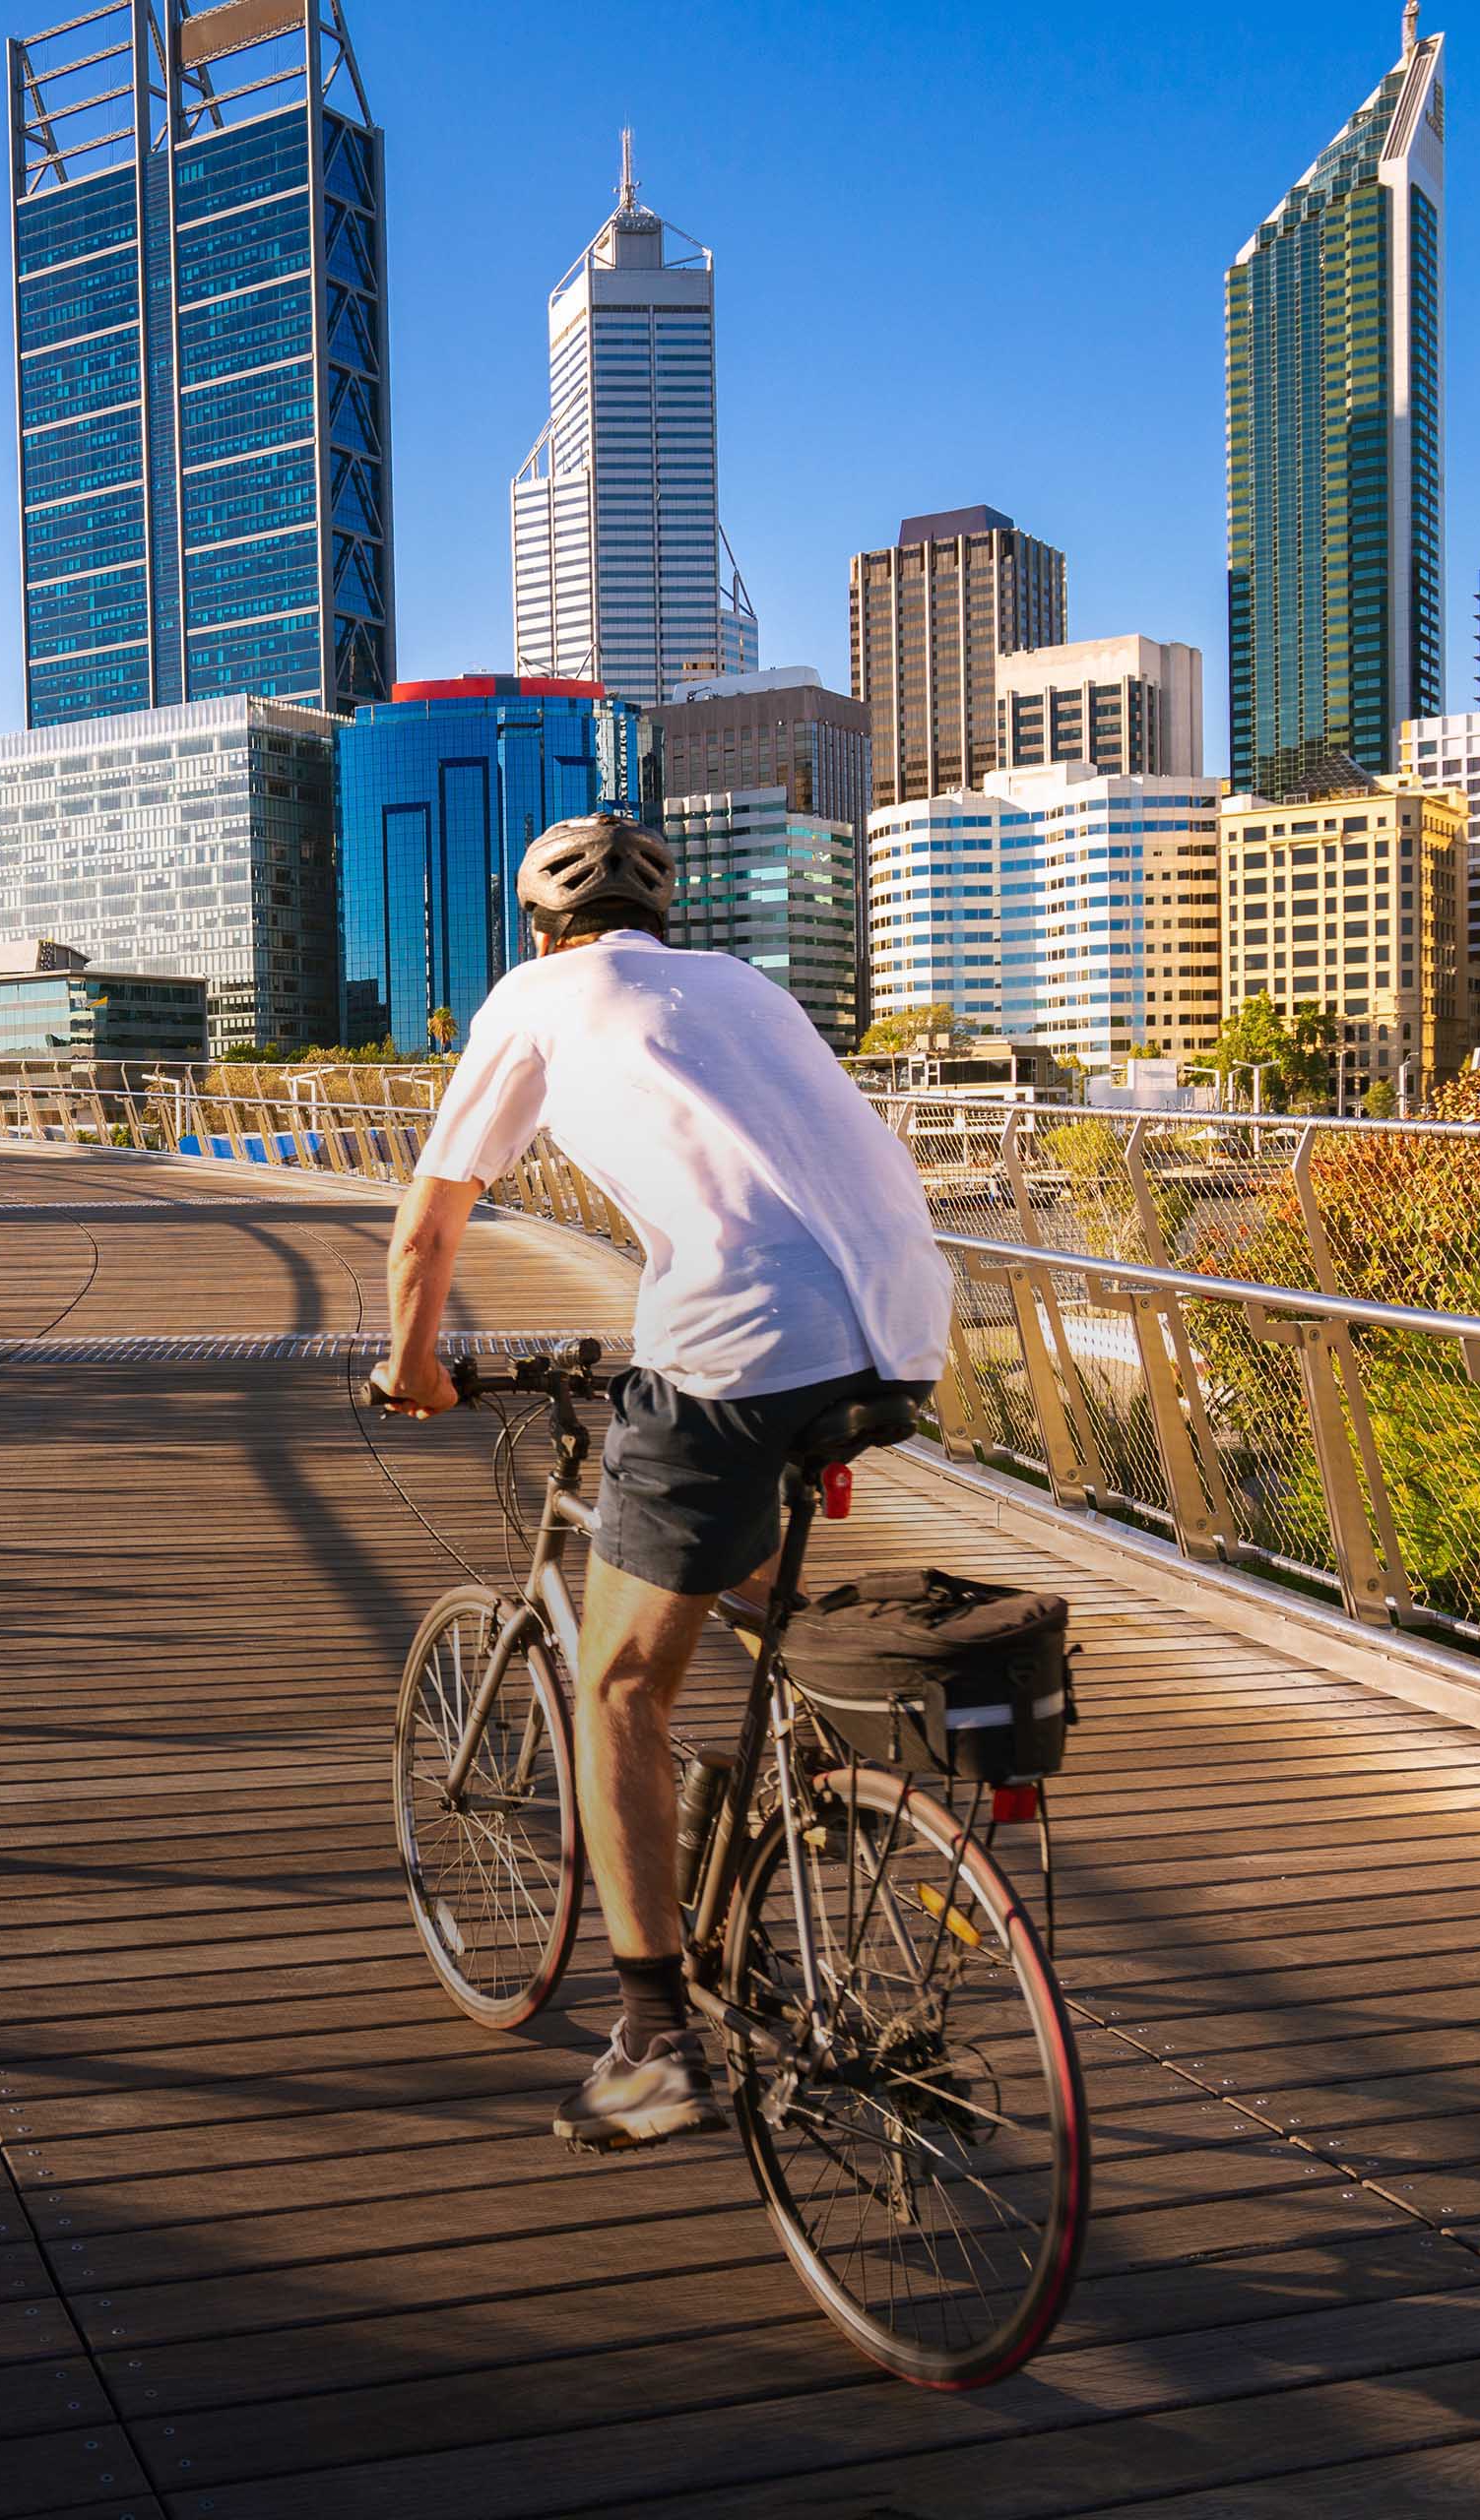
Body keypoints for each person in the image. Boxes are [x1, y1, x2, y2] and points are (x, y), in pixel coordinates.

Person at [368, 811, 951, 2150]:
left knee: (620, 1684)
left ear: (538, 926)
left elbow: (428, 1228)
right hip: (904, 1325)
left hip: (742, 1341)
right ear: (664, 920)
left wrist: (416, 1370)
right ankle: (816, 1781)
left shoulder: (536, 997)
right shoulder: (744, 988)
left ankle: (651, 2043)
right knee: (730, 1566)